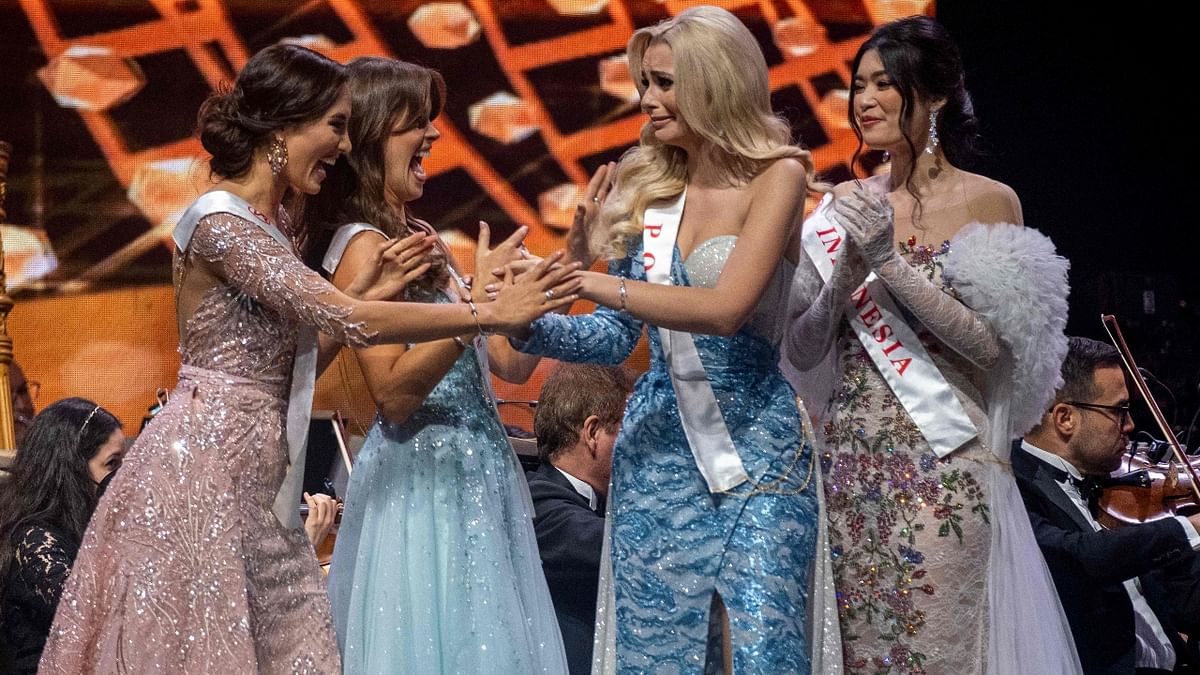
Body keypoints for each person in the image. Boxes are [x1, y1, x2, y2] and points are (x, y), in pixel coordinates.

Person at [39, 43, 579, 674]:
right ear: (284, 129)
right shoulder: (219, 224)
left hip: (257, 474)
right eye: (336, 127)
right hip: (202, 475)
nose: (345, 147)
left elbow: (293, 359)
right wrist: (481, 314)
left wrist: (367, 300)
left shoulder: (272, 229)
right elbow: (348, 320)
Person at [511, 6, 820, 672]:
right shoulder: (649, 189)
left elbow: (726, 308)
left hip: (757, 455)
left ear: (716, 83)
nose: (646, 100)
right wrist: (528, 309)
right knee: (664, 653)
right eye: (643, 83)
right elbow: (617, 337)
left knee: (763, 649)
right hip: (656, 457)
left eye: (663, 83)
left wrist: (590, 281)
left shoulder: (779, 177)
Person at [784, 15, 1079, 674]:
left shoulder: (991, 202)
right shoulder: (840, 210)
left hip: (945, 468)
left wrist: (890, 263)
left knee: (935, 647)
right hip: (850, 471)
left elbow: (991, 348)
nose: (864, 101)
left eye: (884, 84)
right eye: (858, 85)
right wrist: (842, 283)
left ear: (937, 95)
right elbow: (801, 351)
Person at [311, 56, 568, 674]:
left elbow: (505, 364)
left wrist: (536, 291)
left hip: (477, 476)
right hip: (423, 488)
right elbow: (394, 396)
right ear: (373, 137)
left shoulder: (421, 233)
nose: (432, 136)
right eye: (415, 124)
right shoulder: (363, 246)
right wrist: (476, 311)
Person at [1016, 337, 1200, 674]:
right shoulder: (1015, 486)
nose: (1130, 426)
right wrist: (1190, 527)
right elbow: (1081, 558)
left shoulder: (1121, 496)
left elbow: (1186, 602)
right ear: (1065, 418)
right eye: (1119, 411)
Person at [0, 398, 123, 674]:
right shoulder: (35, 542)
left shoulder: (89, 531)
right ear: (72, 469)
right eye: (113, 464)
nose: (123, 478)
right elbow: (94, 620)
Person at [526, 363, 633, 675]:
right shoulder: (539, 505)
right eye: (630, 432)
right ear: (593, 432)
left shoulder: (596, 505)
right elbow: (614, 544)